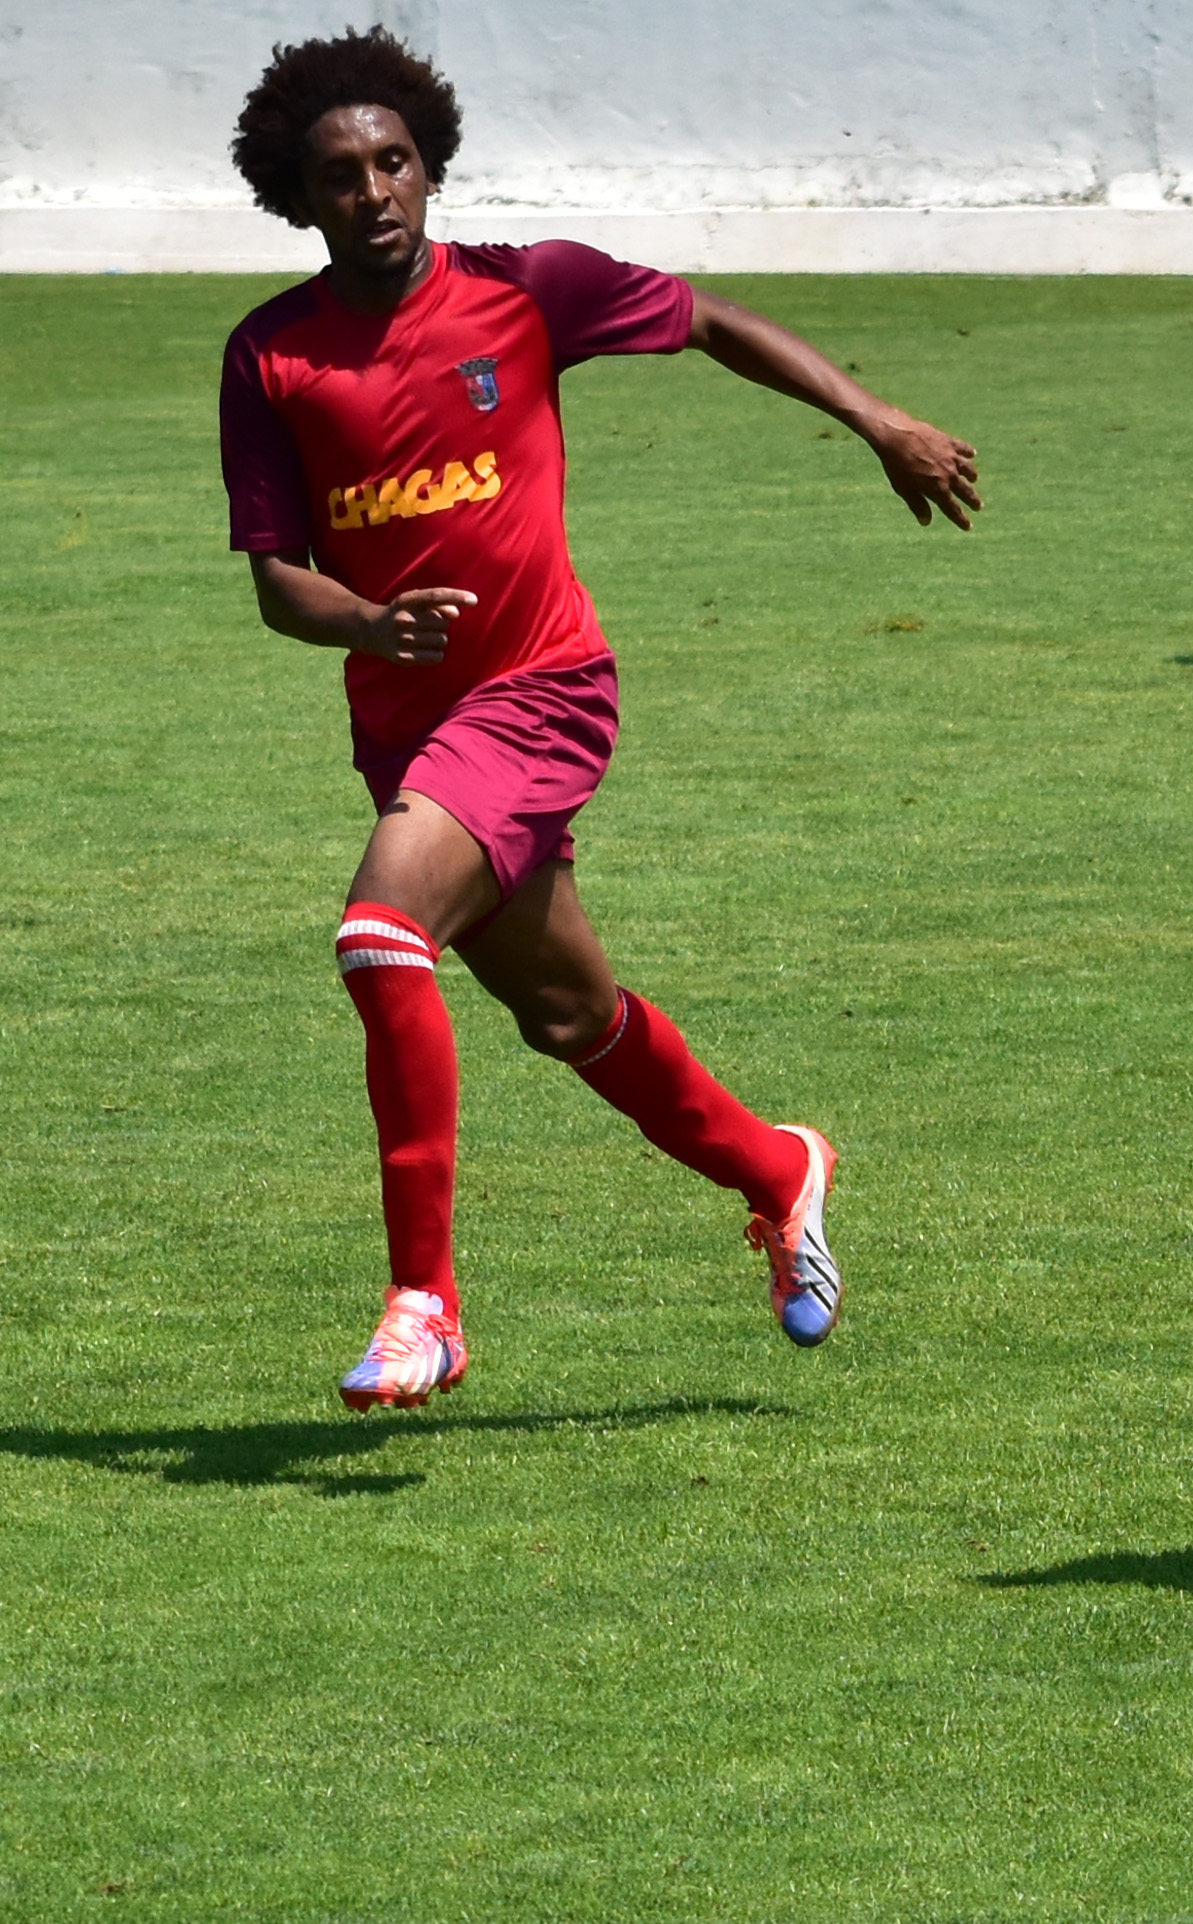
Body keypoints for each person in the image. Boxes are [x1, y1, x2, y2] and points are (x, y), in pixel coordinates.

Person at [217, 28, 981, 1410]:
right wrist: (367, 623)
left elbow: (713, 323)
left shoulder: (527, 289)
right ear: (298, 194)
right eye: (340, 174)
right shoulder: (271, 355)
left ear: (430, 166)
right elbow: (277, 581)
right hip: (407, 731)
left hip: (542, 693)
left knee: (380, 934)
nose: (374, 190)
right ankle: (779, 1169)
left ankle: (424, 1307)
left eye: (394, 161)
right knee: (571, 1016)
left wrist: (878, 420)